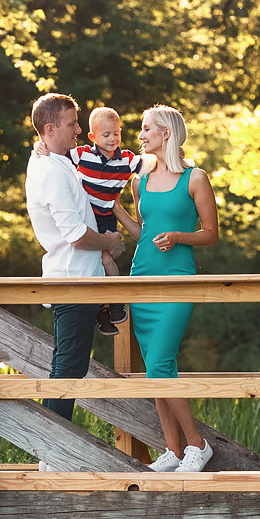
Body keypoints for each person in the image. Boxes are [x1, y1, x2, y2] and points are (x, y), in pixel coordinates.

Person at [24, 93, 131, 438]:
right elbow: (74, 235)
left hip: (82, 277)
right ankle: (51, 450)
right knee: (69, 365)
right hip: (73, 280)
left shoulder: (57, 161)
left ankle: (52, 448)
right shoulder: (51, 171)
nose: (78, 130)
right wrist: (110, 243)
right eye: (72, 124)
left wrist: (37, 146)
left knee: (71, 363)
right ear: (51, 128)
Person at [126, 104, 219, 471]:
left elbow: (210, 234)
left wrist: (180, 236)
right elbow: (142, 233)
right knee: (156, 368)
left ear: (167, 132)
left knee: (160, 363)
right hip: (141, 279)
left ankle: (198, 444)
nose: (141, 134)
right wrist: (115, 211)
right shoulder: (138, 181)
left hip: (178, 279)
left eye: (147, 128)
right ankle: (174, 451)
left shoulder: (194, 178)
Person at [72, 107, 137, 335]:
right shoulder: (82, 154)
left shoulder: (127, 159)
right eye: (106, 135)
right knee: (91, 264)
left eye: (116, 133)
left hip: (106, 218)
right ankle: (102, 312)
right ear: (93, 137)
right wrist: (39, 148)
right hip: (85, 220)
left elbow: (153, 165)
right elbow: (55, 154)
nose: (112, 139)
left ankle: (117, 301)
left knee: (107, 258)